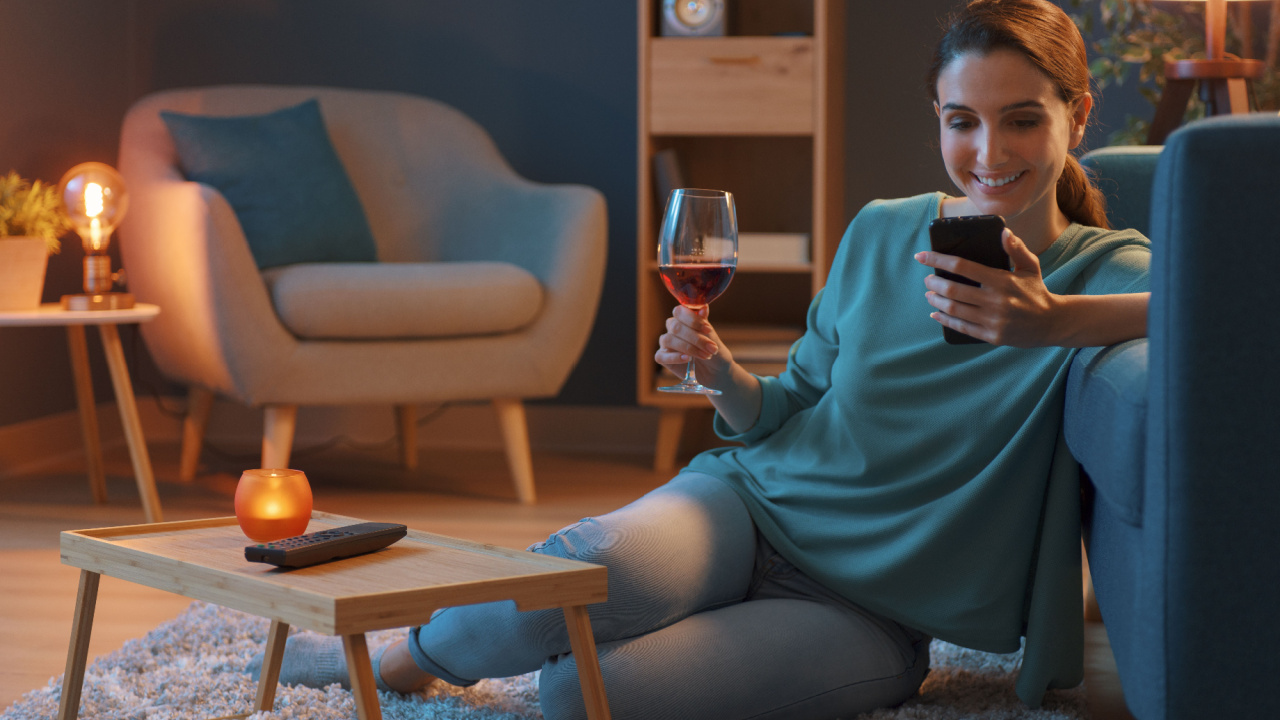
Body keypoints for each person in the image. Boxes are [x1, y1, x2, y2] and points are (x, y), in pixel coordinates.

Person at [252, 1, 1152, 717]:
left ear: (1078, 113)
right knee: (568, 577)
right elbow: (794, 401)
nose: (989, 154)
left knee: (582, 695)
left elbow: (1227, 321)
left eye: (1023, 120)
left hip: (869, 614)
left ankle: (658, 625)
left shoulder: (1109, 270)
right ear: (938, 120)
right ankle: (407, 658)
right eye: (963, 121)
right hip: (748, 508)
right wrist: (725, 377)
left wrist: (1049, 320)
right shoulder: (883, 230)